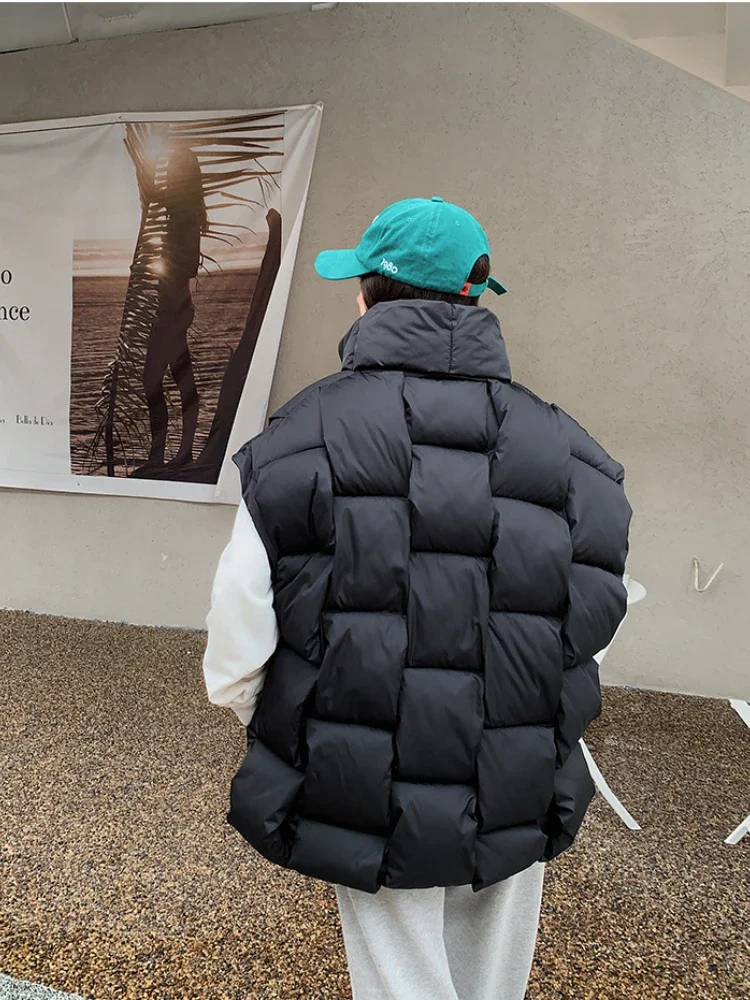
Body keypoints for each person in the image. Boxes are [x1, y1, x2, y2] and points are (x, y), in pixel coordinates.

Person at [203, 197, 632, 1000]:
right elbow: (596, 627)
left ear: (366, 293)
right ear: (475, 296)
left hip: (360, 770)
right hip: (515, 768)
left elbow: (239, 631)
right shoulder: (575, 455)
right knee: (492, 981)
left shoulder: (300, 439)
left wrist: (282, 720)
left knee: (400, 981)